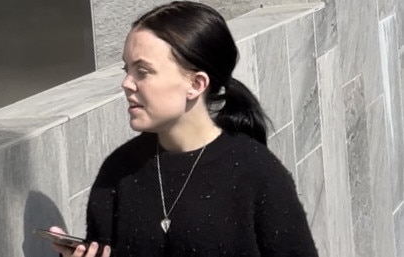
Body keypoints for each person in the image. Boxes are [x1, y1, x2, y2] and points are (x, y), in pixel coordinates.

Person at [51, 1, 319, 256]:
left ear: (196, 84)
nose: (126, 83)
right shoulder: (119, 172)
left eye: (142, 71)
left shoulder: (258, 174)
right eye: (126, 69)